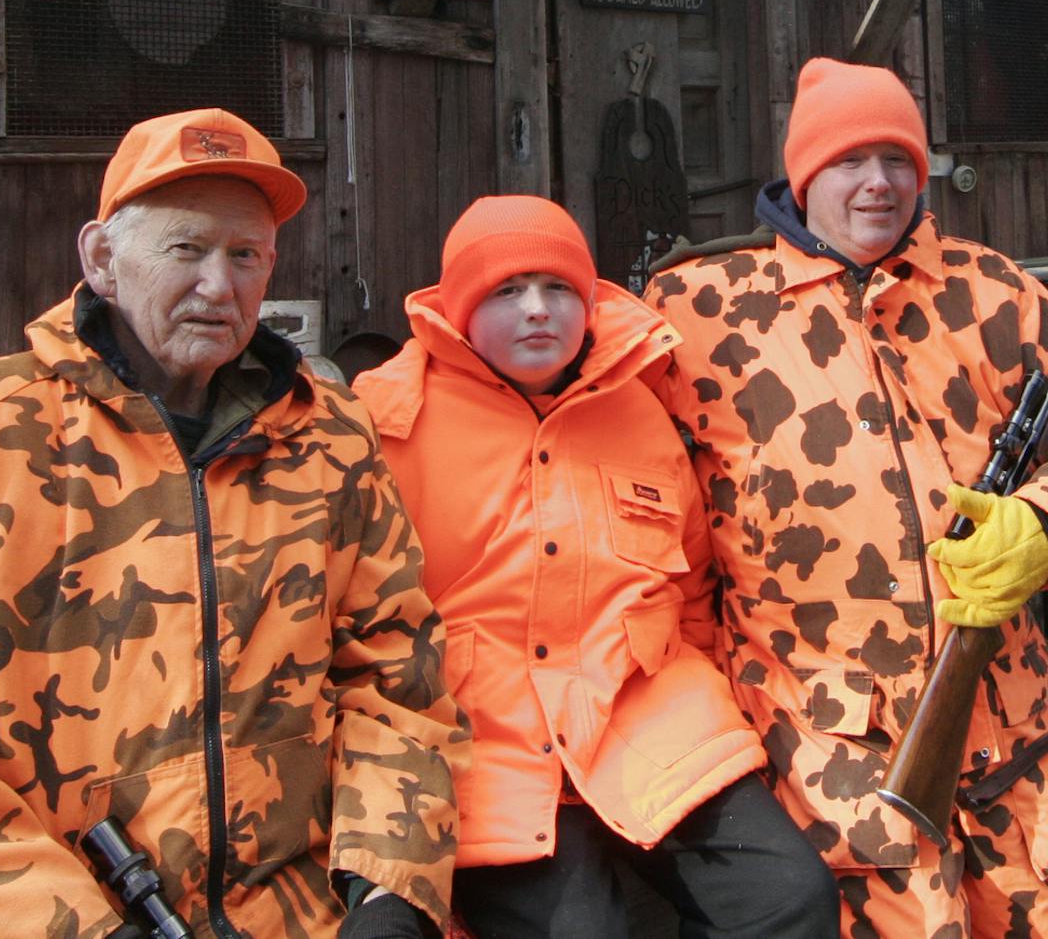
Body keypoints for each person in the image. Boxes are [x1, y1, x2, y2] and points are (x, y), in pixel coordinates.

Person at [0, 108, 465, 939]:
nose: (221, 285)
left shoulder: (329, 436)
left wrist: (390, 892)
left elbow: (396, 679)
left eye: (245, 254)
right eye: (187, 249)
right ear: (102, 259)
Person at [644, 59, 1048, 939]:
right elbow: (654, 526)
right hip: (829, 757)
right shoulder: (698, 314)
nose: (880, 183)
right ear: (803, 175)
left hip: (1018, 740)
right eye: (849, 160)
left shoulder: (994, 291)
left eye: (899, 158)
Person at [358, 196, 839, 939]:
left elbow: (689, 594)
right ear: (458, 308)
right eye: (506, 291)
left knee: (790, 896)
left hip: (642, 721)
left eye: (559, 290)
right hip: (491, 744)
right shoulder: (389, 421)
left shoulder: (640, 406)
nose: (538, 311)